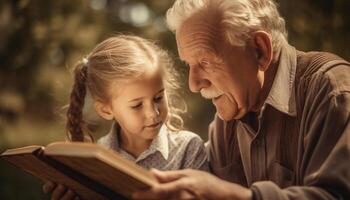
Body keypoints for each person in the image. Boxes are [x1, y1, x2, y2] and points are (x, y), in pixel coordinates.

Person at [132, 0, 350, 199]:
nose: (194, 84)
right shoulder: (225, 122)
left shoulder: (332, 90)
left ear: (259, 51)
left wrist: (232, 196)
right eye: (190, 65)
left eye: (205, 62)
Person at [42, 35, 208, 200]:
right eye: (137, 105)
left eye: (158, 98)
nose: (153, 113)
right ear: (106, 110)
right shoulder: (99, 158)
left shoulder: (188, 149)